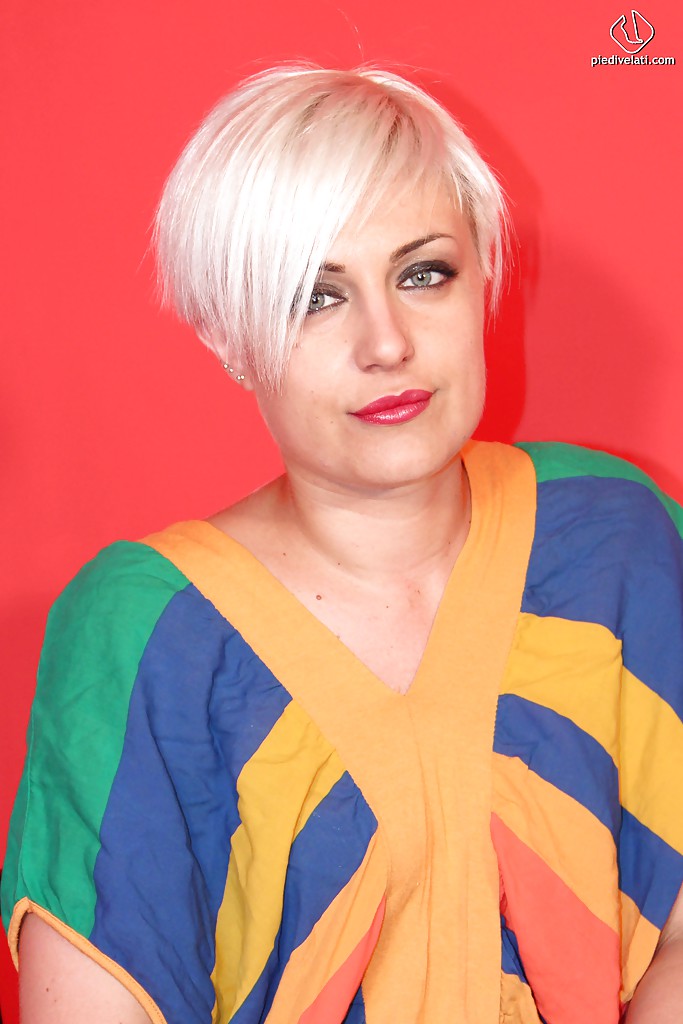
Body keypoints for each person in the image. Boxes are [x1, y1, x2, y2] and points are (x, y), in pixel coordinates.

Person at [2, 64, 683, 1024]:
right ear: (227, 337)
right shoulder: (146, 629)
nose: (387, 342)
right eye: (313, 297)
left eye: (423, 273)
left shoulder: (616, 537)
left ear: (483, 276)